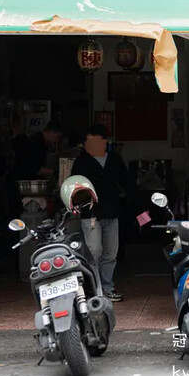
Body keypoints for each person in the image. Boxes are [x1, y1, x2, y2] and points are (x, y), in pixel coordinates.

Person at [71, 124, 137, 302]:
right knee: (94, 251)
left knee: (110, 253)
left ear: (104, 142)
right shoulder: (81, 162)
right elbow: (73, 187)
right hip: (90, 214)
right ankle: (95, 289)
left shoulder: (114, 159)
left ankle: (107, 287)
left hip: (112, 212)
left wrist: (138, 207)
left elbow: (127, 182)